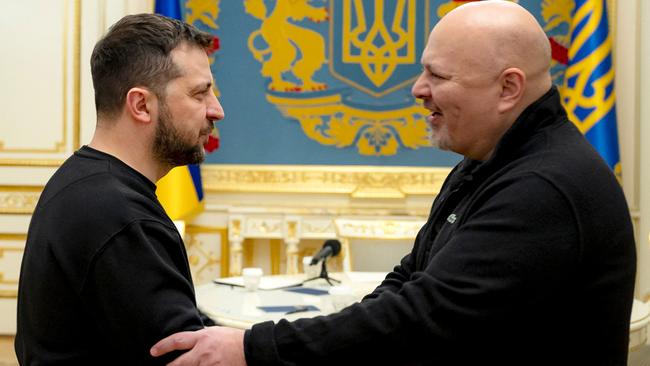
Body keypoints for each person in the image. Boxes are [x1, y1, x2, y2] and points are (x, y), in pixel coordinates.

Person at [151, 1, 636, 365]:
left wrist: (256, 348)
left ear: (508, 88)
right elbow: (408, 281)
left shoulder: (543, 186)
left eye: (437, 75)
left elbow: (422, 319)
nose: (417, 89)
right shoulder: (489, 161)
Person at [15, 13, 224, 365]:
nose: (216, 110)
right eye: (199, 93)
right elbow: (189, 358)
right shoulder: (120, 215)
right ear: (141, 105)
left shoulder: (81, 180)